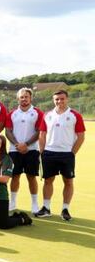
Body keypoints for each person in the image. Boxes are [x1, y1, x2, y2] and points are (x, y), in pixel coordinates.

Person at [36, 89, 86, 220]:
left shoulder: (75, 115)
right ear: (54, 100)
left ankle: (65, 209)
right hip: (49, 153)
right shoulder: (47, 115)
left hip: (66, 154)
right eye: (57, 99)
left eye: (62, 99)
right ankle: (46, 208)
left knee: (68, 181)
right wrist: (42, 152)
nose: (59, 101)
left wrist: (72, 153)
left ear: (67, 99)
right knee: (48, 181)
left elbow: (81, 136)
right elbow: (42, 134)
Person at [4, 87, 43, 213]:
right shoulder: (12, 114)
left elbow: (39, 131)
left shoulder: (38, 113)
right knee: (15, 176)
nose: (24, 99)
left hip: (31, 150)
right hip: (14, 150)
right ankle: (13, 202)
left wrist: (26, 144)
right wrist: (17, 144)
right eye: (21, 97)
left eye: (26, 97)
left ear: (31, 98)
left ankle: (34, 204)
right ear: (18, 99)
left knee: (31, 177)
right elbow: (8, 131)